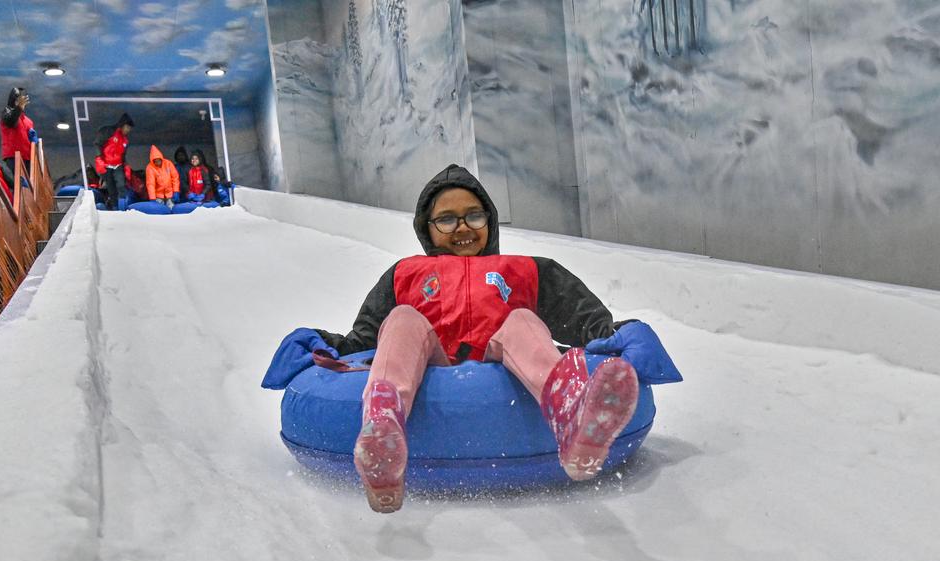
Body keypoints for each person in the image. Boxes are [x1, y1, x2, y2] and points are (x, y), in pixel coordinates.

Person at [269, 165, 682, 512]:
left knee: (521, 318)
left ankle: (573, 415)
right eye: (447, 220)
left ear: (490, 219)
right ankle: (383, 429)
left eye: (474, 216)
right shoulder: (404, 274)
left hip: (503, 360)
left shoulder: (528, 269)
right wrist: (321, 345)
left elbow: (589, 324)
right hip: (433, 362)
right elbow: (364, 338)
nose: (462, 228)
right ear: (427, 229)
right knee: (402, 318)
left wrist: (621, 339)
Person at [97, 113, 134, 211]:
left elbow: (123, 156)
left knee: (121, 184)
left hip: (118, 165)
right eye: (127, 127)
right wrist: (99, 159)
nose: (128, 130)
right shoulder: (109, 132)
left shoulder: (125, 141)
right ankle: (115, 207)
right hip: (107, 164)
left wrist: (125, 166)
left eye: (130, 129)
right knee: (111, 187)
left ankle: (122, 205)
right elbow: (98, 144)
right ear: (122, 125)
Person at [0, 86, 38, 177]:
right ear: (13, 100)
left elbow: (31, 139)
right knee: (20, 181)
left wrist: (34, 141)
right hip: (14, 155)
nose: (22, 103)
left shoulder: (28, 121)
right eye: (18, 100)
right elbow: (11, 122)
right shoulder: (7, 112)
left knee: (29, 182)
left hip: (28, 157)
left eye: (23, 101)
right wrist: (18, 108)